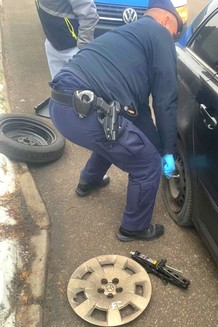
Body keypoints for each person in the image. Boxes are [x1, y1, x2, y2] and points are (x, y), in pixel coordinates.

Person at [48, 0, 183, 242]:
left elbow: (139, 113)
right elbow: (165, 101)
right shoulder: (160, 34)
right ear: (165, 21)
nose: (171, 41)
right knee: (146, 165)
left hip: (60, 106)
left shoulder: (127, 35)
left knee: (116, 135)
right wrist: (166, 153)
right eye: (174, 33)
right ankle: (134, 227)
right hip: (87, 112)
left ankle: (88, 182)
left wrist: (158, 145)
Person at [35, 0, 99, 79]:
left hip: (74, 49)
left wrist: (83, 47)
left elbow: (89, 15)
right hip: (52, 43)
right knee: (57, 86)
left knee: (79, 87)